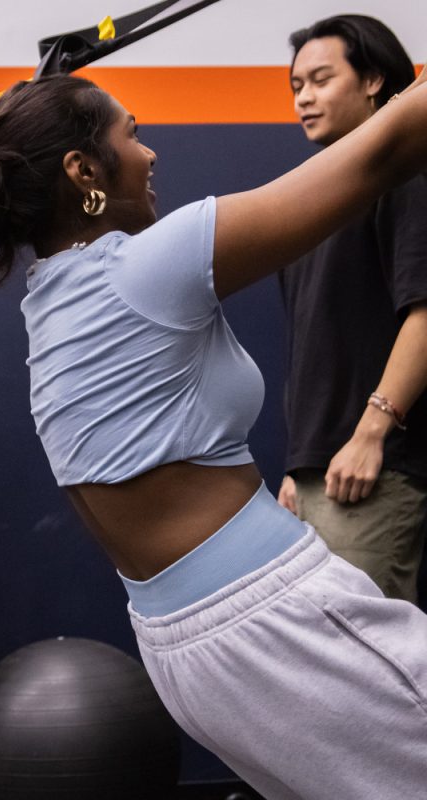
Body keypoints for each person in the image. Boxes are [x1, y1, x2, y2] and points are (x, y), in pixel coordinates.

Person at [0, 67, 427, 799]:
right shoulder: (149, 266)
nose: (150, 153)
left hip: (185, 649)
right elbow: (383, 154)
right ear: (83, 170)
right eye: (133, 133)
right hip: (278, 620)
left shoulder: (52, 298)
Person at [275, 15, 427, 604]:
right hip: (322, 472)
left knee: (369, 674)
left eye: (319, 79)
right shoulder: (316, 200)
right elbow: (316, 347)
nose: (304, 98)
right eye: (295, 87)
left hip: (374, 468)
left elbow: (423, 313)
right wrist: (299, 464)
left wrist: (372, 432)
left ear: (372, 81)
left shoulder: (406, 179)